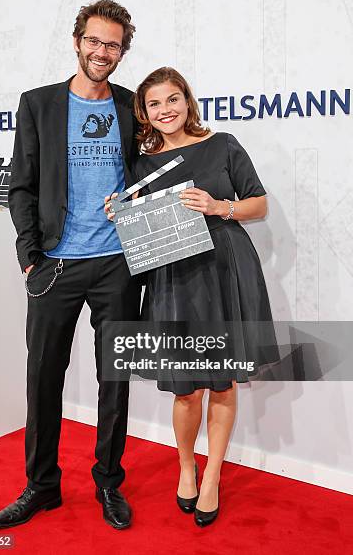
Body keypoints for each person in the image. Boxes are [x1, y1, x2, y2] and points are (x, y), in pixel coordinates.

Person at [0, 0, 141, 531]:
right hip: (54, 264)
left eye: (113, 45)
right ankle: (42, 485)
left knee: (115, 381)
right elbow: (21, 185)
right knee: (43, 378)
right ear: (77, 41)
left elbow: (149, 177)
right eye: (95, 41)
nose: (103, 52)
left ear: (123, 51)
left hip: (117, 264)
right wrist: (30, 256)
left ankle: (108, 483)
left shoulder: (130, 106)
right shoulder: (39, 104)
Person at [105, 67, 279, 528]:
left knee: (222, 383)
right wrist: (118, 213)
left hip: (225, 268)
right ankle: (186, 466)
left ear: (188, 101)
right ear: (144, 111)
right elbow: (139, 228)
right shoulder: (141, 164)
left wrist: (220, 206)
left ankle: (214, 474)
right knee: (186, 391)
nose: (166, 110)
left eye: (173, 99)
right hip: (176, 279)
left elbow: (258, 204)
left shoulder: (222, 144)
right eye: (155, 103)